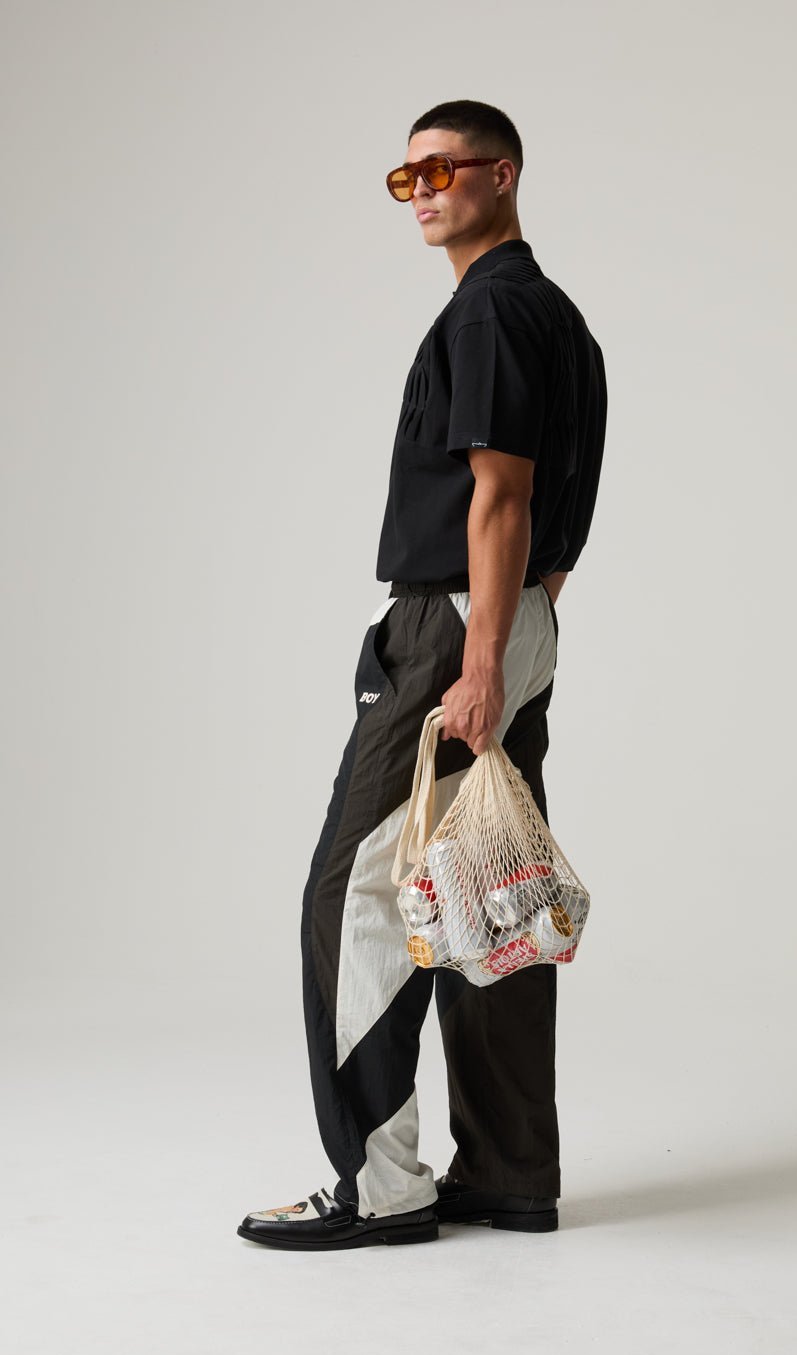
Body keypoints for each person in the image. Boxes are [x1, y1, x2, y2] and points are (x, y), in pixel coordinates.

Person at [237, 99, 608, 1250]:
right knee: (486, 888)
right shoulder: (557, 319)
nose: (425, 191)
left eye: (443, 170)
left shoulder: (492, 315)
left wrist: (478, 657)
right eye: (407, 179)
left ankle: (380, 1185)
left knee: (350, 890)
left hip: (460, 627)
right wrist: (523, 630)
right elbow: (555, 510)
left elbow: (500, 496)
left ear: (501, 175)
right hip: (512, 615)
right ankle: (507, 1174)